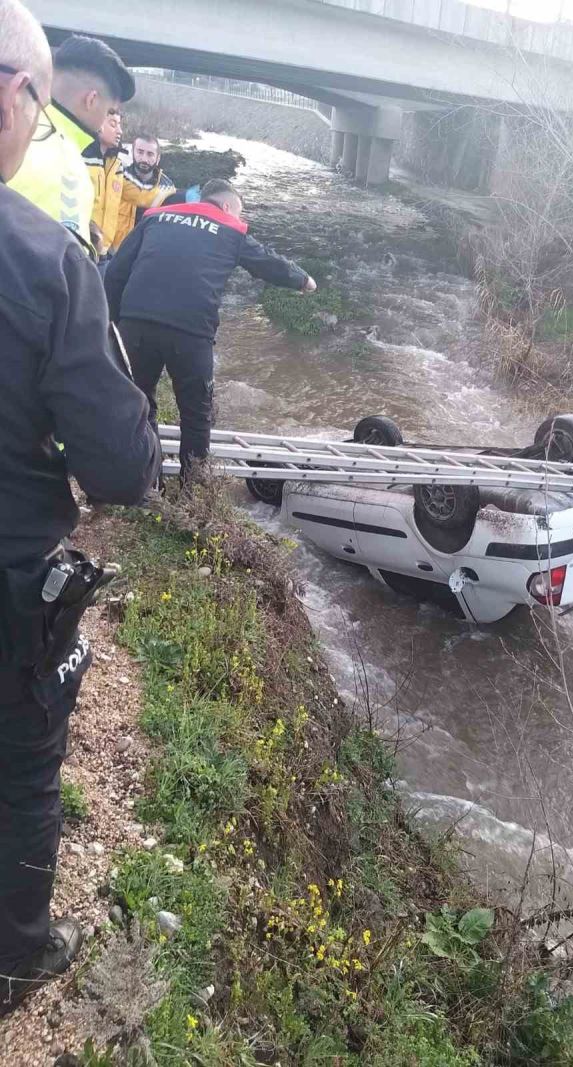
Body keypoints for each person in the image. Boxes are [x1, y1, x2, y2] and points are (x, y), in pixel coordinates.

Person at [0, 0, 160, 1015]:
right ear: (16, 95)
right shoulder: (45, 258)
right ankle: (18, 951)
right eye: (40, 100)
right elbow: (120, 467)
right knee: (22, 761)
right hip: (10, 577)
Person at [105, 179, 317, 480]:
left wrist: (116, 323)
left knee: (140, 404)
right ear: (228, 206)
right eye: (239, 213)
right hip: (191, 333)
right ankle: (193, 490)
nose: (239, 219)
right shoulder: (231, 229)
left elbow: (115, 273)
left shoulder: (156, 217)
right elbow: (266, 262)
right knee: (195, 415)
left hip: (137, 323)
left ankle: (146, 485)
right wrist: (304, 280)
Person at [8, 33, 134, 251]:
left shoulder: (13, 126)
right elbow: (59, 273)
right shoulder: (67, 167)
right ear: (91, 100)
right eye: (110, 111)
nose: (108, 120)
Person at [112, 133, 176, 250]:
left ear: (158, 158)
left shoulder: (168, 187)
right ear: (132, 152)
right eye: (140, 152)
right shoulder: (118, 176)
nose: (144, 159)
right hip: (116, 250)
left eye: (150, 154)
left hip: (148, 250)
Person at [83, 107, 123, 258]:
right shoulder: (81, 158)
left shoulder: (117, 165)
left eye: (120, 125)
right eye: (113, 124)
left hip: (105, 251)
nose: (120, 131)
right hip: (82, 247)